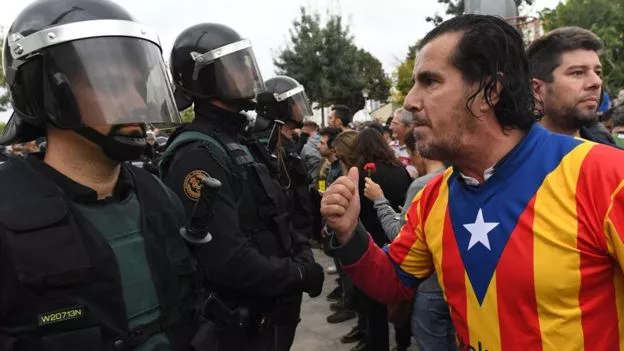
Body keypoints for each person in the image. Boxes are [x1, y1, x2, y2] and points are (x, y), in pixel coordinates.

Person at [321, 14, 624, 350]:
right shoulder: (433, 197)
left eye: (430, 81)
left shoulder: (606, 176)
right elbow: (393, 281)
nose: (409, 101)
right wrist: (349, 233)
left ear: (489, 91)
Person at [0, 0, 201, 349]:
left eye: (139, 85)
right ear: (47, 91)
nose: (135, 100)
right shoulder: (7, 209)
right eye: (109, 82)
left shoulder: (159, 195)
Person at [159, 23, 324, 351]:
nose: (248, 72)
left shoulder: (239, 140)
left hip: (269, 312)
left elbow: (277, 213)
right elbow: (227, 260)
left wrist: (301, 249)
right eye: (236, 65)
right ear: (204, 79)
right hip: (236, 330)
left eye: (248, 62)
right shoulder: (197, 153)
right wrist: (299, 274)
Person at [363, 128, 454, 351]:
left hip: (428, 286)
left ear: (419, 151)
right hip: (450, 282)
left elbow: (399, 236)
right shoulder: (454, 177)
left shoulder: (422, 185)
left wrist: (379, 200)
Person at [528, 26, 617, 146]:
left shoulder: (613, 160)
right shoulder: (506, 160)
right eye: (578, 72)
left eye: (598, 72)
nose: (597, 82)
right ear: (536, 89)